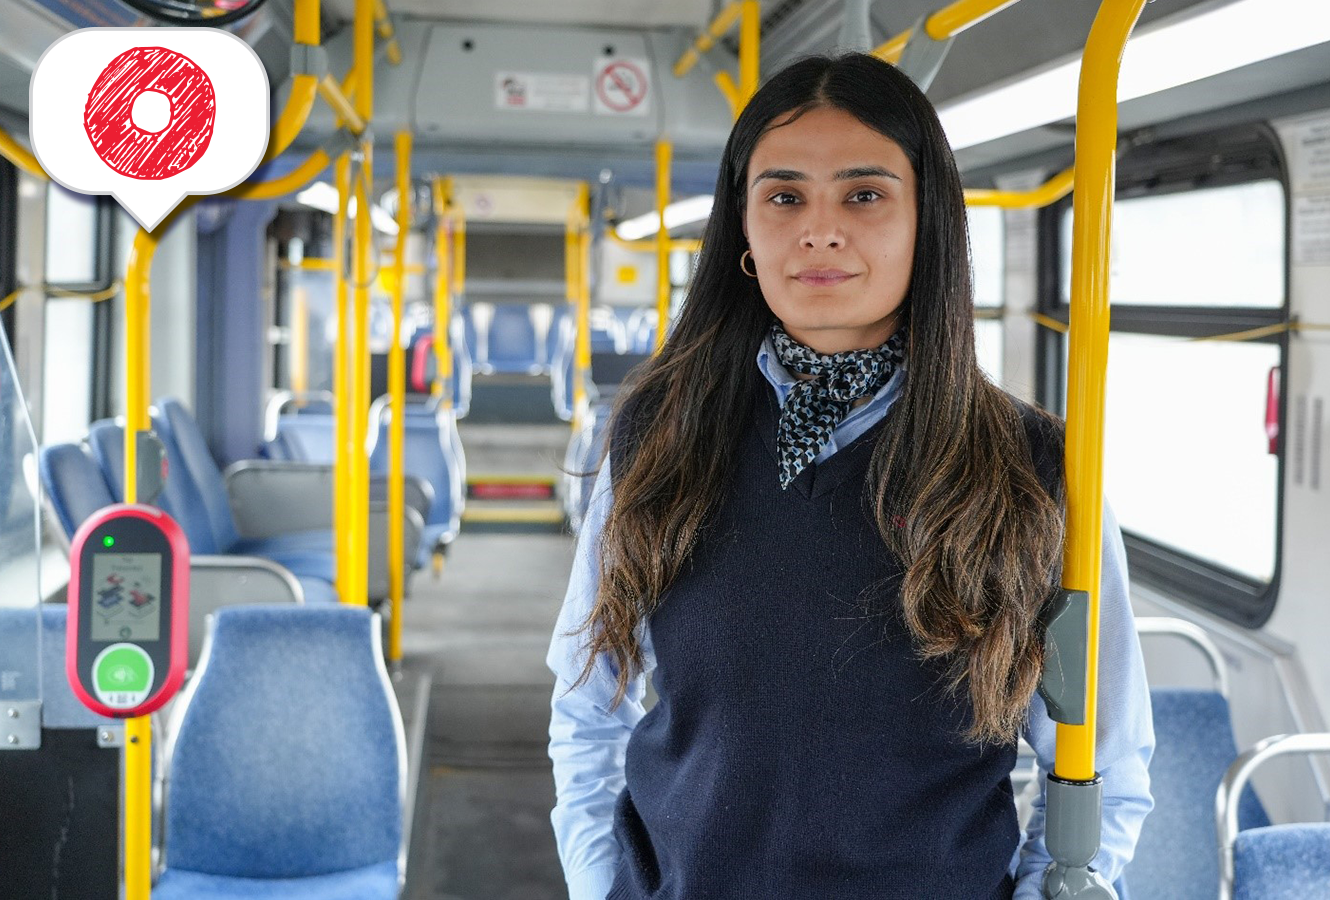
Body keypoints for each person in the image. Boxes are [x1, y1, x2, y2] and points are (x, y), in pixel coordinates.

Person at [546, 52, 1153, 900]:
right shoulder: (659, 437)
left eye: (864, 195)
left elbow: (1102, 760)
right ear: (745, 231)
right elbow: (588, 711)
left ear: (926, 222)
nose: (819, 230)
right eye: (784, 196)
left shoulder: (1032, 472)